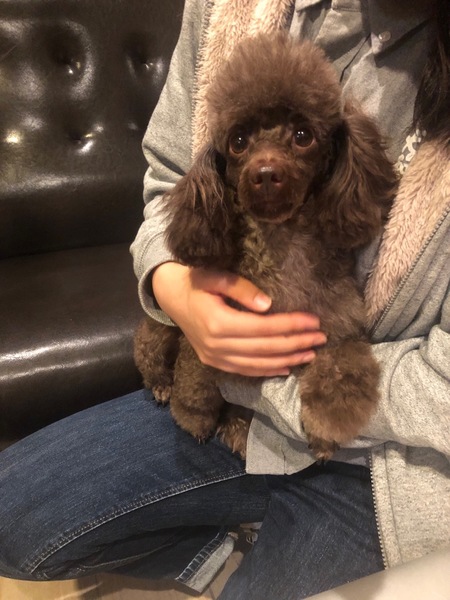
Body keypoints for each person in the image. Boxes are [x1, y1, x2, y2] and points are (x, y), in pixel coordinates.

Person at [0, 1, 449, 598]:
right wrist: (176, 287)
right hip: (232, 416)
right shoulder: (225, 4)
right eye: (242, 143)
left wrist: (255, 377)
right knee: (10, 520)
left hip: (386, 462)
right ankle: (224, 554)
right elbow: (169, 176)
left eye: (300, 137)